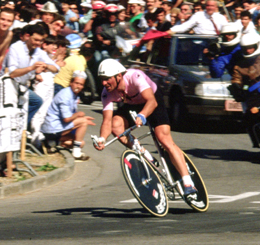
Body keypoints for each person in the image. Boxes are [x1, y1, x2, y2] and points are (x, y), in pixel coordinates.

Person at [93, 59, 198, 195]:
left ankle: (188, 182)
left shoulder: (135, 76)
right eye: (101, 79)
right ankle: (145, 154)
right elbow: (106, 121)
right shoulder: (107, 92)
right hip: (133, 104)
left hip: (152, 100)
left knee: (163, 139)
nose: (103, 83)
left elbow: (151, 102)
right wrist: (102, 138)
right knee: (116, 125)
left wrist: (142, 115)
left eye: (107, 79)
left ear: (119, 76)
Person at [6, 23, 59, 126]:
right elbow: (12, 73)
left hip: (24, 87)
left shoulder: (38, 52)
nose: (38, 43)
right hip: (11, 85)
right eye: (35, 40)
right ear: (28, 37)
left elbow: (56, 68)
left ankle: (21, 126)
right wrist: (31, 68)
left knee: (37, 101)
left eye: (40, 41)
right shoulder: (16, 47)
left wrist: (46, 66)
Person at [42, 71, 94, 160]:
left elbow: (69, 117)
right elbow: (66, 119)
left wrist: (80, 117)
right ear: (71, 82)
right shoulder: (65, 95)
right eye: (76, 83)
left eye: (81, 84)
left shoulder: (73, 94)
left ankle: (51, 143)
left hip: (58, 129)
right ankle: (76, 154)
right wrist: (79, 115)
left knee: (81, 143)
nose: (78, 86)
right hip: (53, 128)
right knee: (83, 122)